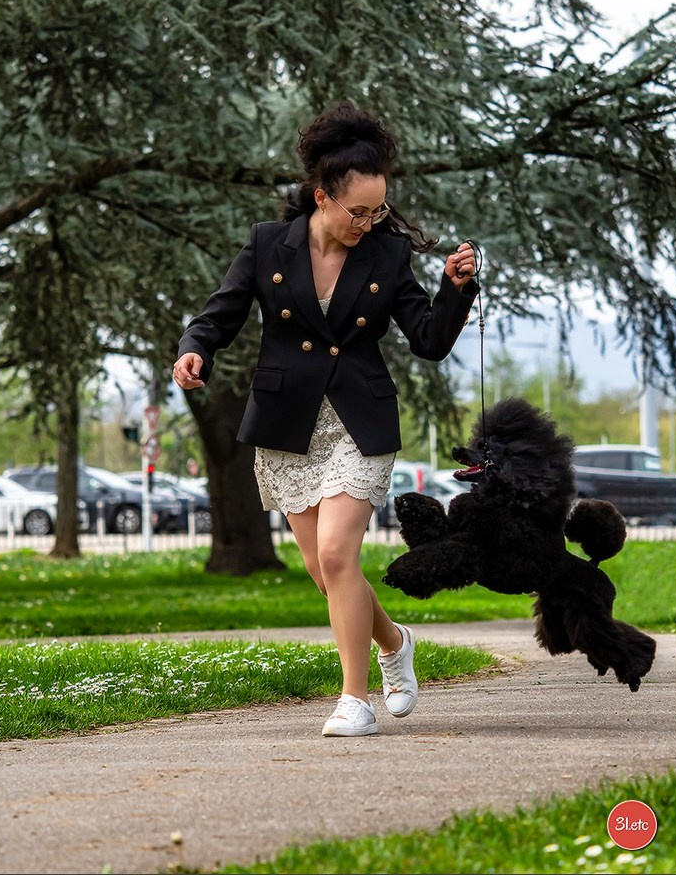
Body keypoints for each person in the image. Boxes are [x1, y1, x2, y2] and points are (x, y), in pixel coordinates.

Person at [173, 101, 478, 737]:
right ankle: (395, 642)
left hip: (359, 422)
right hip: (288, 424)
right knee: (324, 572)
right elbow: (219, 314)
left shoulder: (387, 254)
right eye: (358, 211)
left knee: (339, 554)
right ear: (322, 197)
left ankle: (354, 701)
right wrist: (193, 350)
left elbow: (427, 340)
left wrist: (453, 290)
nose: (369, 223)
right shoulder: (268, 243)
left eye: (378, 211)